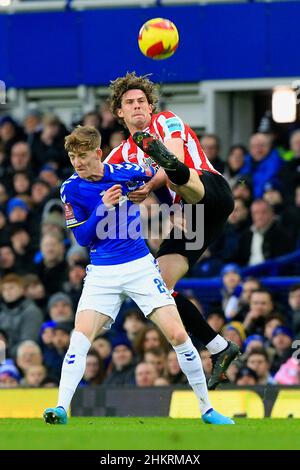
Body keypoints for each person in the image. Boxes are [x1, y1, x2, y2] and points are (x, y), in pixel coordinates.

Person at [43, 125, 233, 425]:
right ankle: (61, 408)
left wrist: (167, 204)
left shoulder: (126, 171)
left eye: (82, 156)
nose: (77, 163)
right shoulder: (71, 188)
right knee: (79, 339)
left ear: (98, 153)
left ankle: (207, 410)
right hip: (102, 272)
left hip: (140, 267)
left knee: (178, 335)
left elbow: (162, 177)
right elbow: (83, 238)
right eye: (71, 156)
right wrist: (102, 209)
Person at [106, 72, 239, 389]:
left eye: (142, 101)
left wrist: (148, 188)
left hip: (209, 190)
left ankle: (160, 162)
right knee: (156, 288)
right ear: (119, 112)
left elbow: (176, 159)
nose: (138, 106)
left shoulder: (166, 121)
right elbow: (94, 179)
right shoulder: (120, 155)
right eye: (130, 103)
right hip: (191, 217)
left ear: (151, 106)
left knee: (177, 172)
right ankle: (220, 346)